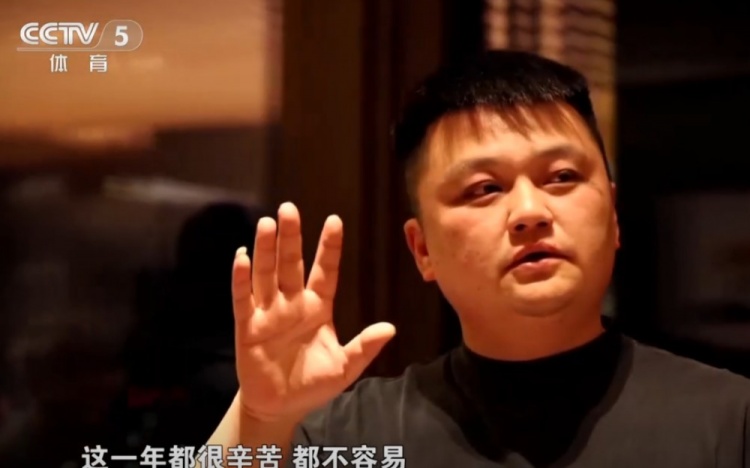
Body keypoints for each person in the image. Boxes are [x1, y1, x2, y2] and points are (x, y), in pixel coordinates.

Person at [206, 51, 750, 467]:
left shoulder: (731, 417)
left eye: (562, 176)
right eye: (485, 188)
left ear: (612, 214)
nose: (530, 211)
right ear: (422, 249)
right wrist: (260, 417)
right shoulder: (355, 436)